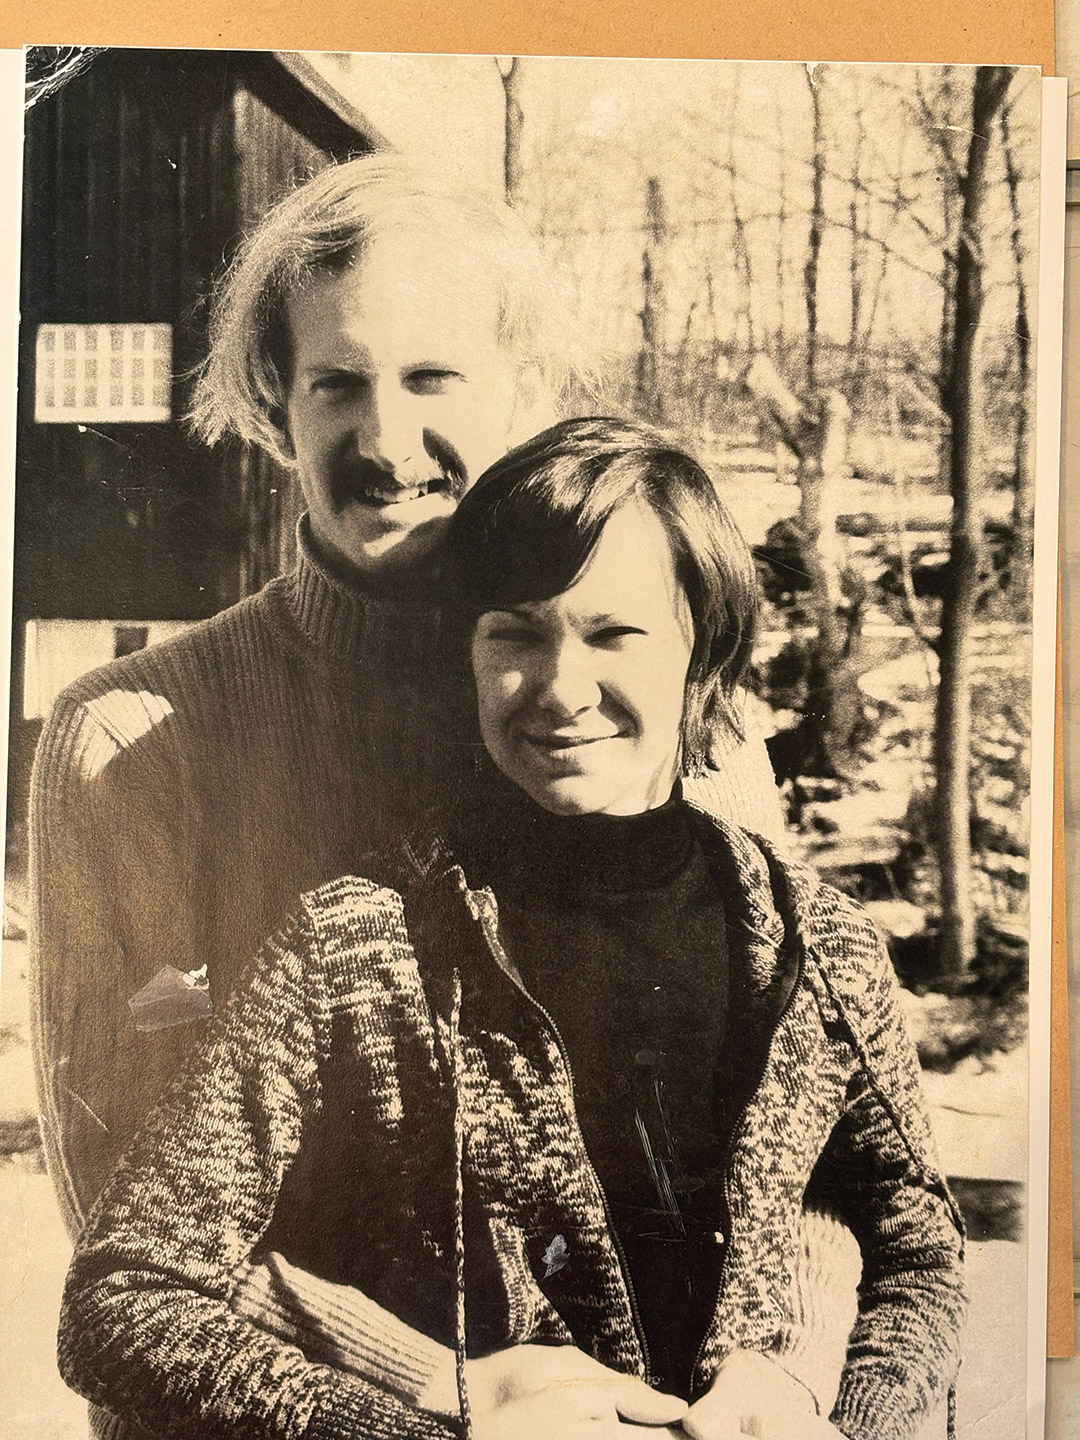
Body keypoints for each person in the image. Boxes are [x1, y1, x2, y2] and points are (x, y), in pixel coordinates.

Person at [59, 419, 966, 1440]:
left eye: (615, 634)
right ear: (464, 652)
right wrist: (438, 1411)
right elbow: (124, 1292)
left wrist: (838, 1414)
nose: (561, 689)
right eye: (516, 634)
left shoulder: (821, 949)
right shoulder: (357, 944)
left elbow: (918, 1250)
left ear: (703, 649)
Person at [29, 157, 784, 1251]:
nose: (386, 441)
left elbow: (803, 1145)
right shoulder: (132, 744)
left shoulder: (655, 714)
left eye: (434, 377)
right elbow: (133, 1219)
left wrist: (780, 1390)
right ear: (275, 410)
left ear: (523, 390)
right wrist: (457, 1408)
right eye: (337, 383)